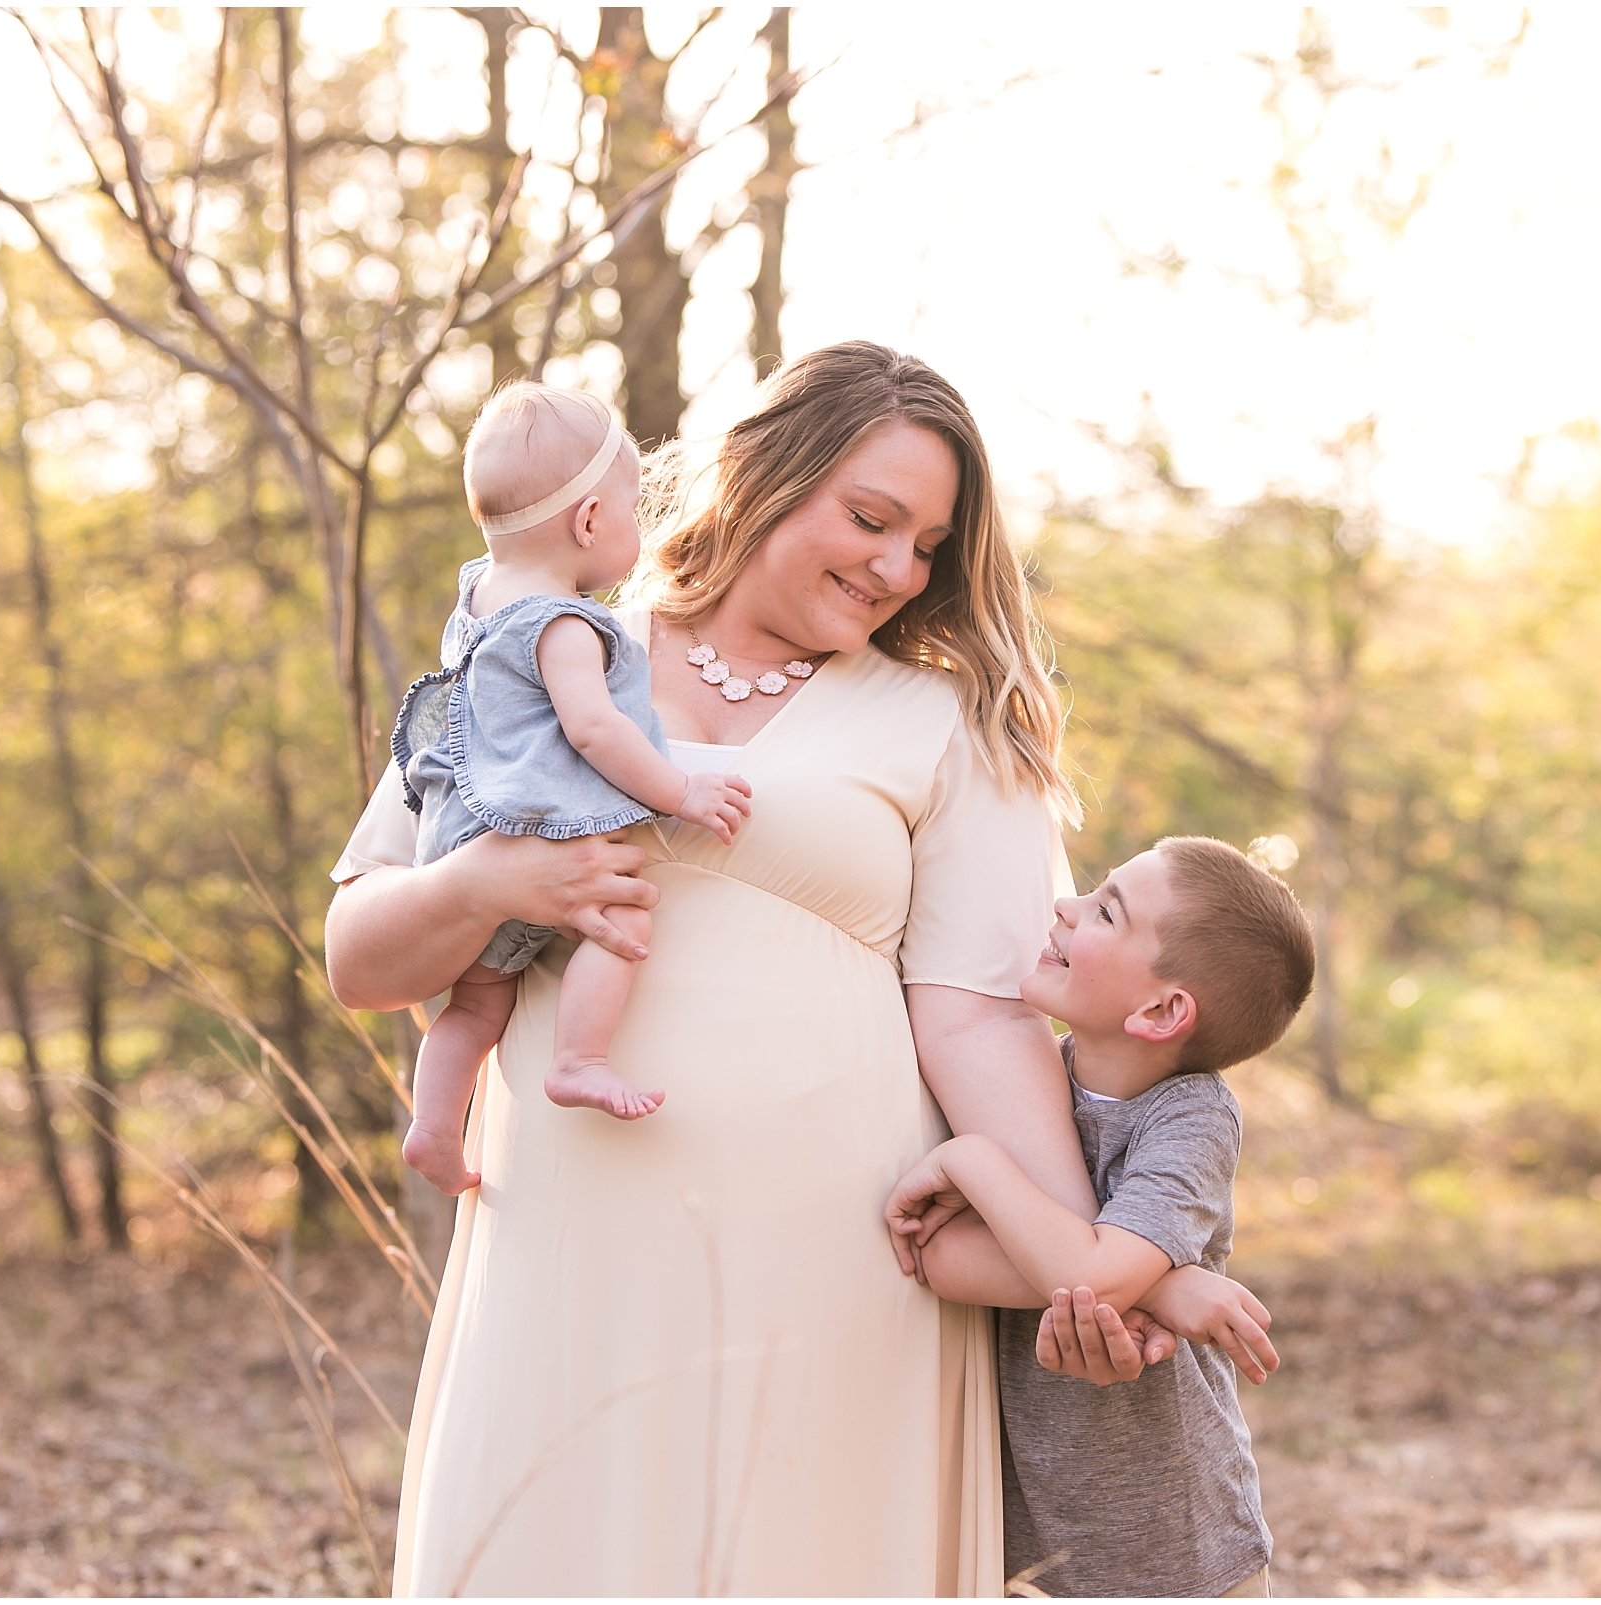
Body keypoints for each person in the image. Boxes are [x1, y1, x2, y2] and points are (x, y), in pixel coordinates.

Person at [325, 341, 1095, 1595]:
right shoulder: (538, 652)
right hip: (572, 1245)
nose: (896, 568)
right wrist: (485, 885)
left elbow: (983, 1022)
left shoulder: (946, 724)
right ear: (761, 475)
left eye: (928, 547)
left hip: (847, 1268)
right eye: (869, 517)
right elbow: (358, 956)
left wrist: (1090, 1262)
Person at [885, 836, 1317, 1598]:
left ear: (1160, 1009)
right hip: (1038, 1540)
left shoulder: (1190, 1118)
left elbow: (1087, 1274)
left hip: (1179, 1543)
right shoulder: (1019, 1087)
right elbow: (939, 1255)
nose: (1065, 905)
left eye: (1104, 910)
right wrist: (1162, 1287)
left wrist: (974, 1163)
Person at [390, 383, 752, 1196]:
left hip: (459, 841)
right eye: (630, 510)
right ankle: (580, 1058)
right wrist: (679, 790)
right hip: (540, 829)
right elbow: (595, 729)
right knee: (620, 916)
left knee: (475, 1008)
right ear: (590, 522)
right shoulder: (564, 624)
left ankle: (433, 1127)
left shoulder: (478, 597)